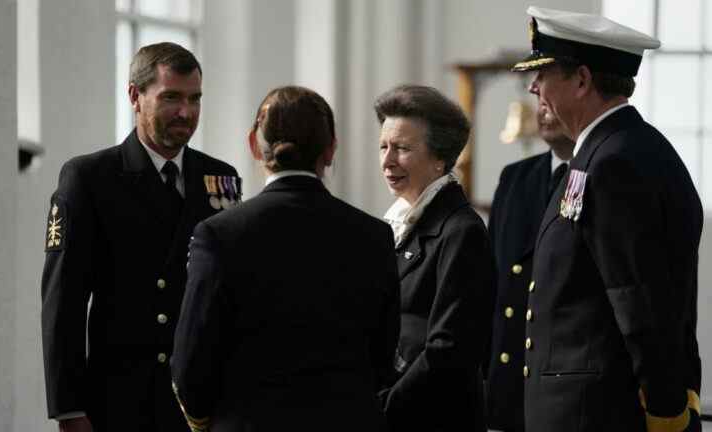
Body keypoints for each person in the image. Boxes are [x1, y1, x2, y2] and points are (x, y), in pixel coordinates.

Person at [511, 6, 703, 432]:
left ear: (581, 80)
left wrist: (665, 409)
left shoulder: (617, 161)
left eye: (543, 74)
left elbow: (637, 298)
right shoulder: (606, 151)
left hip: (598, 414)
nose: (533, 87)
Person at [171, 85, 400, 432]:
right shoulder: (374, 236)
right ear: (330, 149)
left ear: (254, 145)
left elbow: (191, 364)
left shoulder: (218, 235)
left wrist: (204, 420)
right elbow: (382, 360)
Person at [40, 42, 239, 432]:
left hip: (200, 407)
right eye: (171, 98)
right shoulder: (90, 178)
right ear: (135, 95)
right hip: (120, 404)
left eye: (195, 98)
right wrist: (69, 409)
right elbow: (63, 301)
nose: (186, 112)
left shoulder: (220, 177)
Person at [375, 84, 496, 432]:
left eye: (402, 148)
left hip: (433, 417)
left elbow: (449, 349)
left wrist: (383, 407)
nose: (387, 161)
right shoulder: (395, 221)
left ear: (440, 157)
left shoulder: (461, 231)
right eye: (384, 146)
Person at [484, 105, 574, 432]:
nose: (544, 111)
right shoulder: (515, 176)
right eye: (540, 104)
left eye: (553, 104)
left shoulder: (597, 175)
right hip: (507, 378)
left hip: (560, 383)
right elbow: (492, 278)